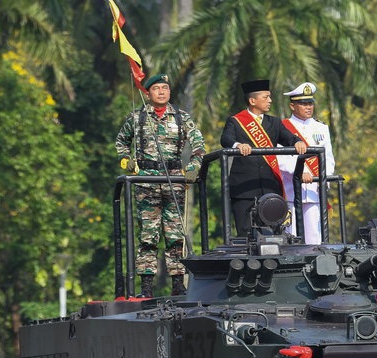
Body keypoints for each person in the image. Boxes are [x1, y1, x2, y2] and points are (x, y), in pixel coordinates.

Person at [114, 73, 205, 297]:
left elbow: (199, 145)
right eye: (156, 88)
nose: (161, 92)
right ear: (148, 93)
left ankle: (177, 284)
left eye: (165, 88)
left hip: (173, 179)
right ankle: (146, 287)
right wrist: (128, 162)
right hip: (146, 180)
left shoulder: (181, 118)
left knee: (175, 235)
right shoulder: (138, 118)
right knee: (148, 235)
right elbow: (121, 142)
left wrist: (194, 166)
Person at [221, 79, 307, 236]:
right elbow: (226, 139)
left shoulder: (274, 122)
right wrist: (237, 145)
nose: (270, 101)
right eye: (266, 97)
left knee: (274, 232)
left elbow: (288, 137)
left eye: (270, 97)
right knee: (245, 233)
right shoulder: (236, 121)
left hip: (269, 185)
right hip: (244, 187)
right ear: (252, 100)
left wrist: (298, 142)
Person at [278, 82, 334, 244]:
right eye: (303, 103)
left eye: (310, 103)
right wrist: (299, 172)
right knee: (292, 236)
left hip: (315, 191)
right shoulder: (284, 127)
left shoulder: (321, 128)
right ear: (292, 106)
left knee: (315, 238)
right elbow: (280, 158)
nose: (308, 107)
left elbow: (328, 158)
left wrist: (325, 179)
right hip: (292, 190)